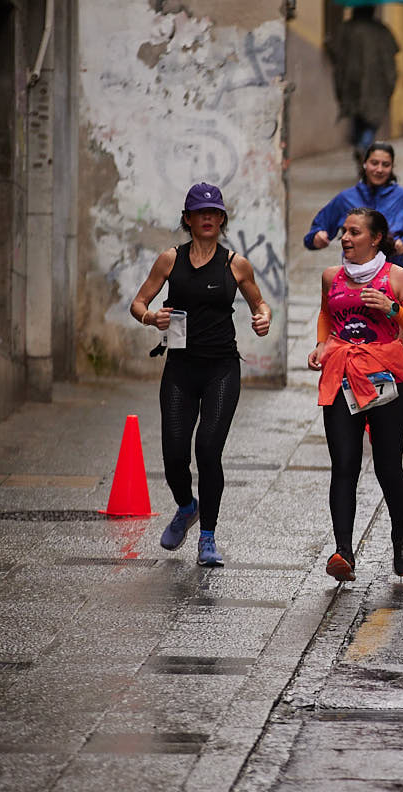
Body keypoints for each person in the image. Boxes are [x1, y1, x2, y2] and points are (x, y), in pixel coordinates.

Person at [129, 183, 272, 567]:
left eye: (214, 213)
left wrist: (262, 318)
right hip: (180, 366)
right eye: (200, 213)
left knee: (208, 449)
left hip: (221, 368)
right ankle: (186, 506)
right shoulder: (168, 260)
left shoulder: (235, 264)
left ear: (222, 219)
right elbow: (138, 302)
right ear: (188, 219)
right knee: (174, 454)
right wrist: (149, 316)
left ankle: (207, 537)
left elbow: (260, 303)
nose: (208, 218)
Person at [307, 208, 403, 582]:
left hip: (386, 380)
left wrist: (392, 308)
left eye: (354, 233)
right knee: (343, 465)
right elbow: (327, 315)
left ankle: (401, 535)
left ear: (376, 238)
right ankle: (343, 551)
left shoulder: (396, 277)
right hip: (342, 375)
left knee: (387, 466)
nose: (345, 238)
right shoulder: (332, 276)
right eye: (344, 232)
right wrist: (320, 345)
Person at [304, 142, 403, 265]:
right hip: (352, 276)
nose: (379, 169)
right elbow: (313, 235)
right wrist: (317, 237)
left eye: (385, 164)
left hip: (391, 277)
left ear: (392, 167)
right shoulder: (345, 198)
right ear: (364, 164)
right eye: (374, 163)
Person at [329, 6, 399, 159]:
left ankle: (360, 145)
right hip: (377, 84)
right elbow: (392, 56)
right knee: (372, 119)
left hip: (351, 81)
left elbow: (335, 51)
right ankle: (363, 145)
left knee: (357, 116)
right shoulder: (382, 30)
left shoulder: (346, 29)